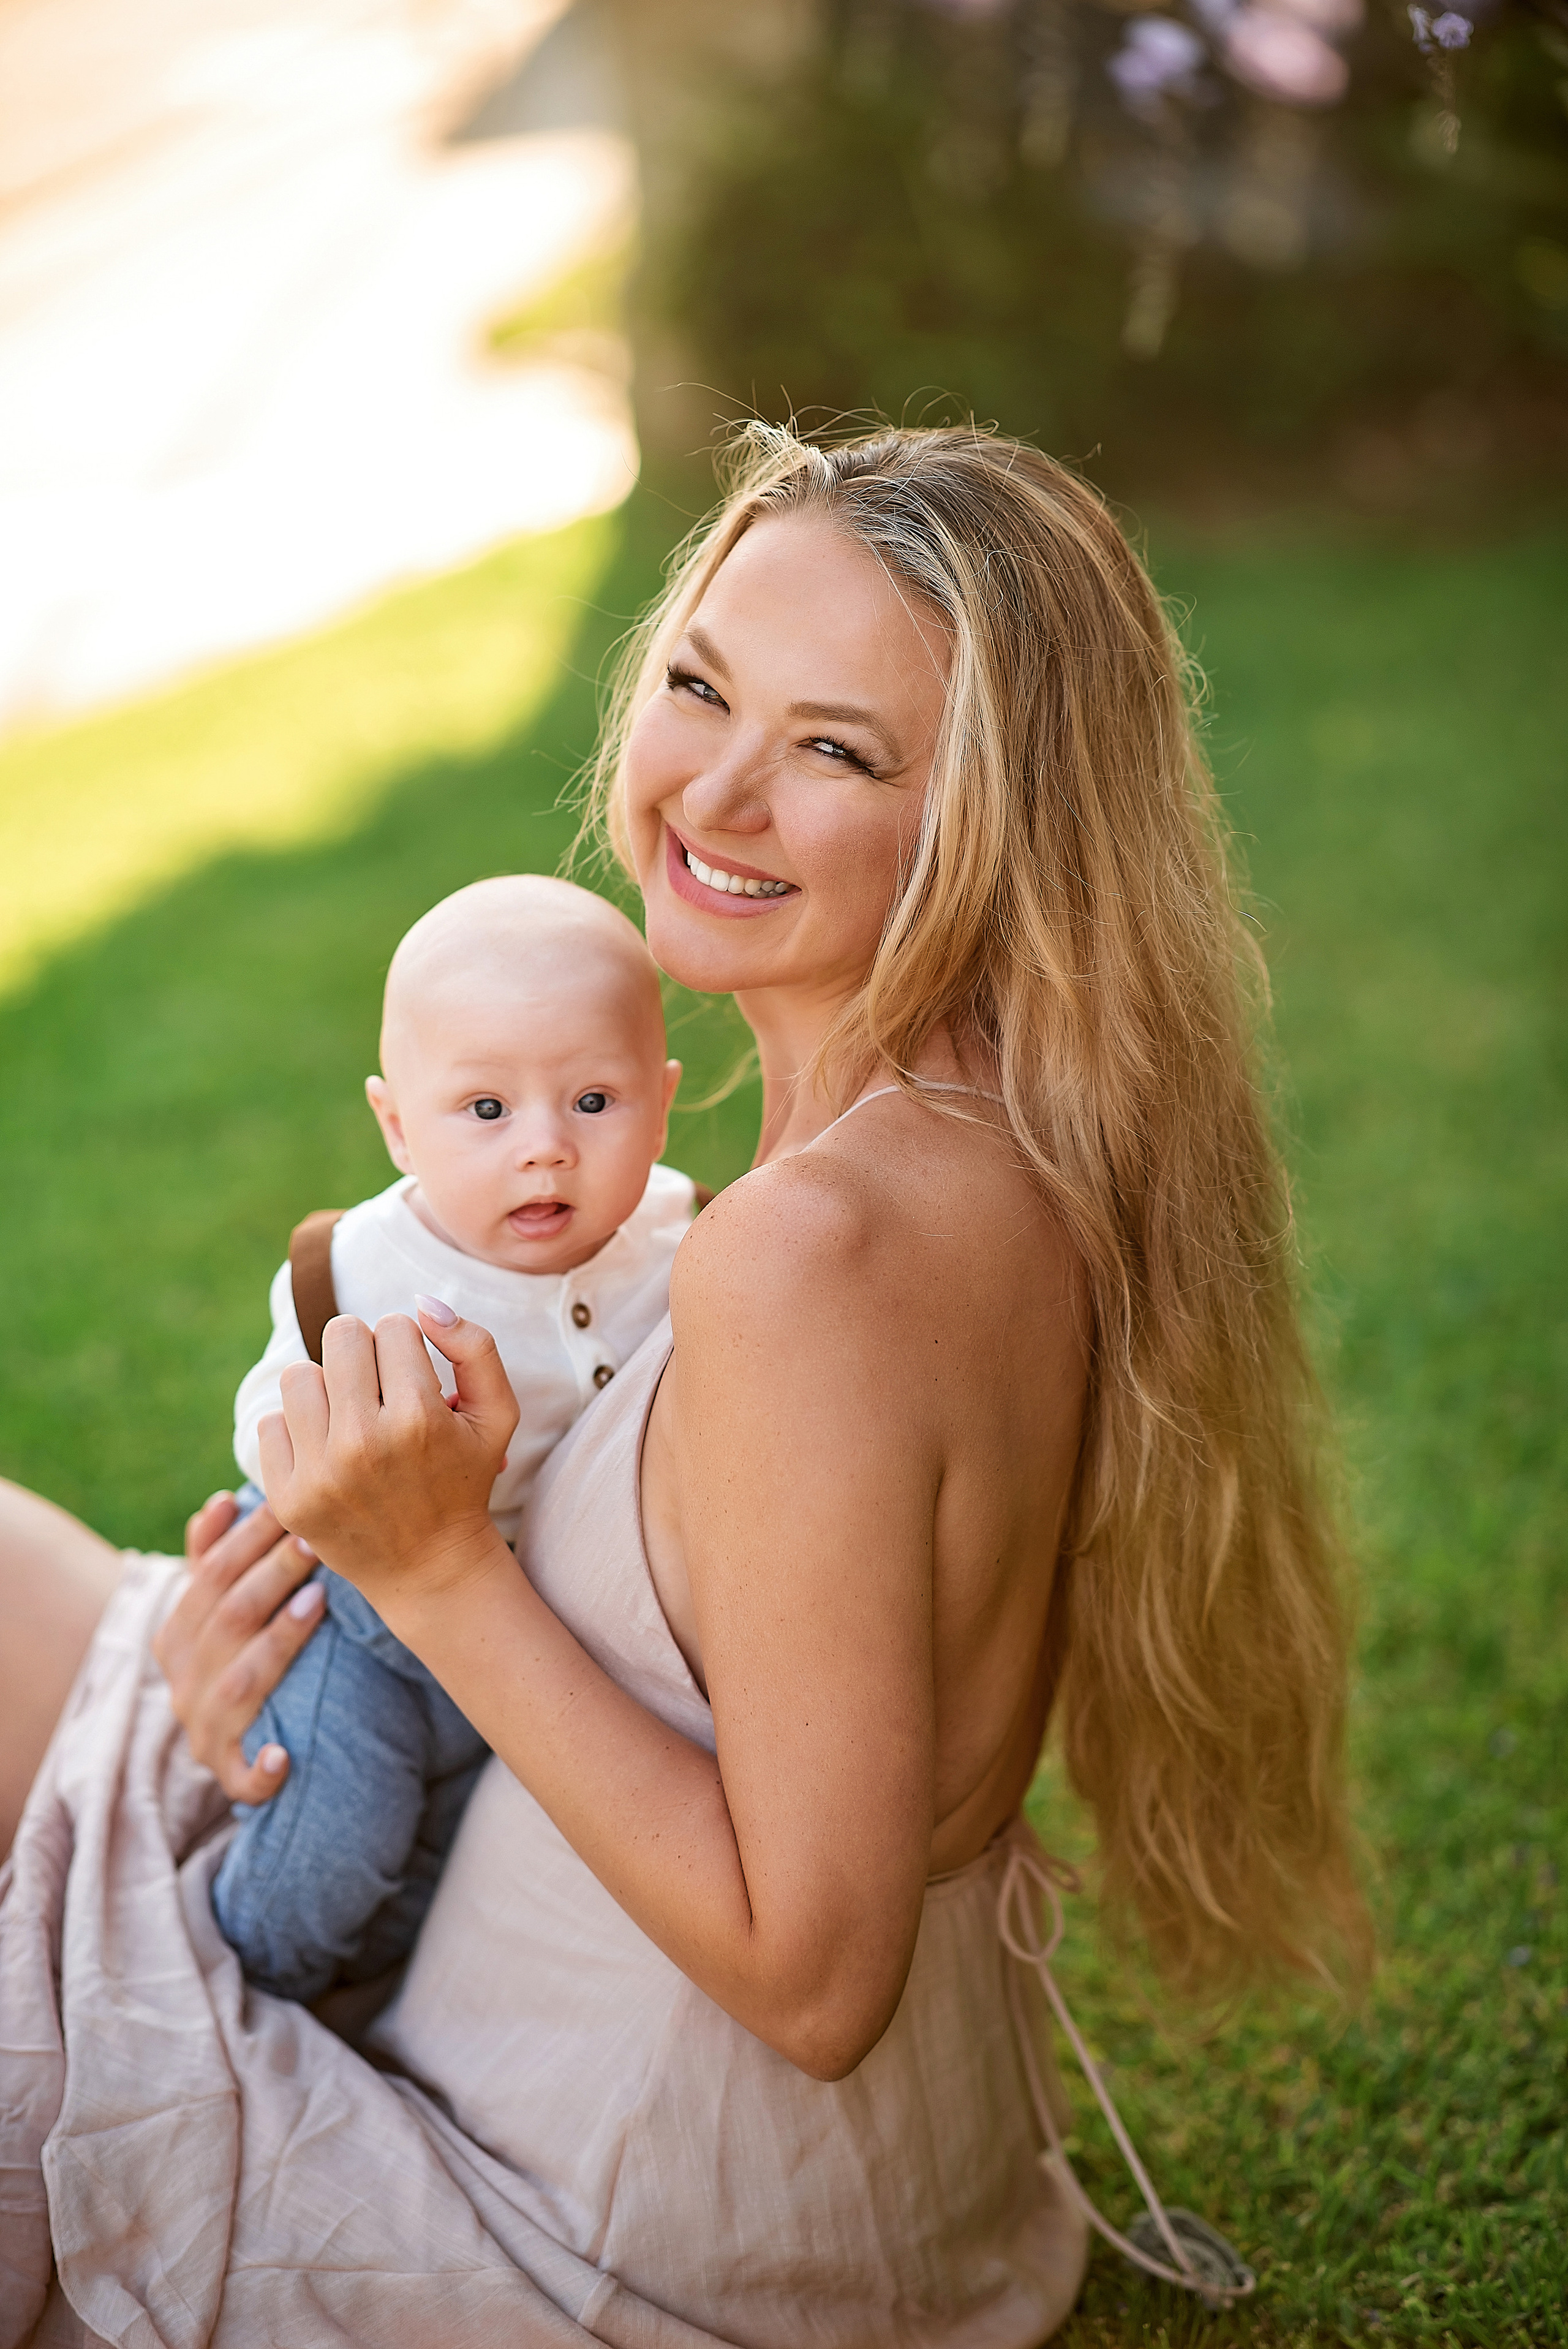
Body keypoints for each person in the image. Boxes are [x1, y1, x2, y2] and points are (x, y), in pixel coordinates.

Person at [0, 422, 1369, 2349]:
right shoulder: (968, 1142)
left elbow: (815, 1973)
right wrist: (331, 1622)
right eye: (699, 685)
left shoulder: (814, 1256)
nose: (713, 789)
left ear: (990, 814)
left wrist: (438, 1578)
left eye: (836, 748)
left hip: (600, 2198)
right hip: (815, 2138)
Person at [214, 873, 694, 2003]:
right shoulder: (365, 1275)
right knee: (345, 1821)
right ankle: (259, 1970)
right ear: (396, 1124)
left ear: (661, 1100)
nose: (544, 1149)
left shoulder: (689, 1241)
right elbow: (267, 1434)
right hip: (358, 1620)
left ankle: (392, 1990)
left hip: (530, 1645)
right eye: (485, 1111)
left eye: (592, 1101)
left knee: (463, 1859)